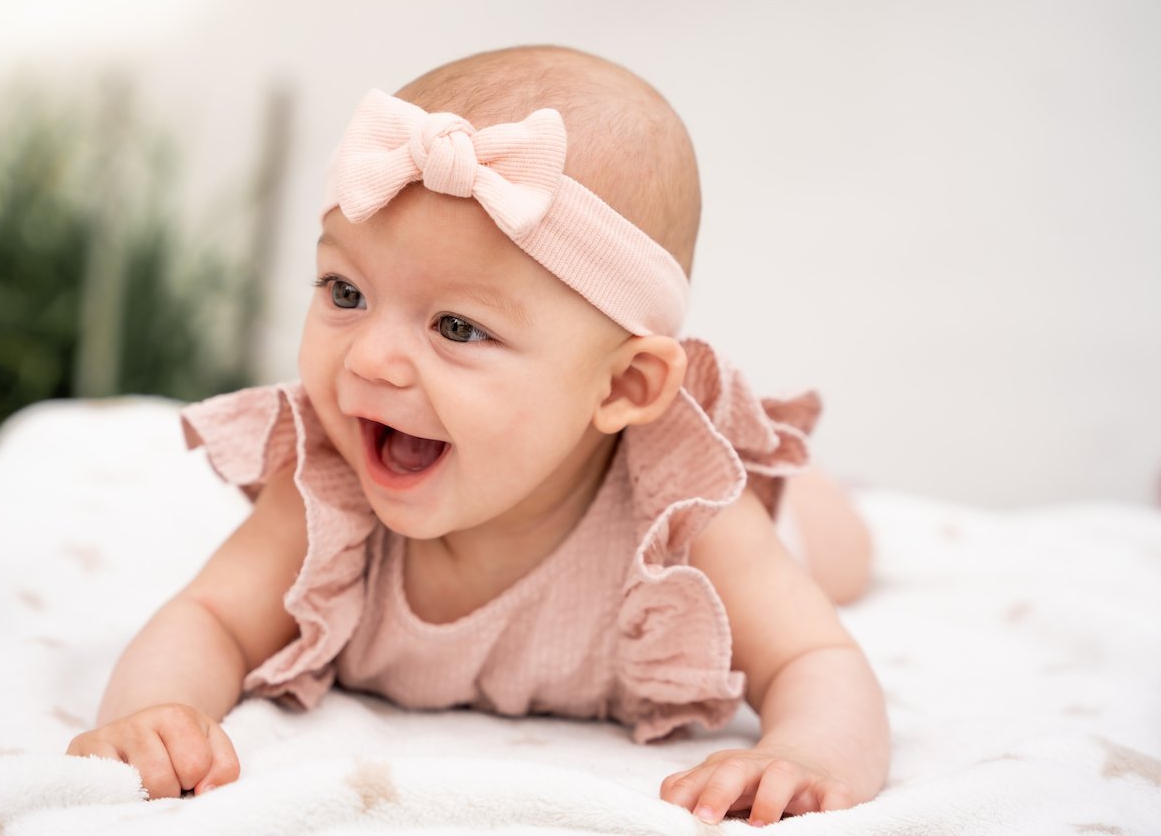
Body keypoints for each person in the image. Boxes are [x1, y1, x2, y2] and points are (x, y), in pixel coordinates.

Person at [67, 45, 888, 826]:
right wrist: (154, 713)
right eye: (345, 291)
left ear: (622, 386)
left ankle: (817, 488)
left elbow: (816, 660)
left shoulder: (685, 517)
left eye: (457, 325)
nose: (373, 358)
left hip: (759, 523)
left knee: (835, 543)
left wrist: (805, 751)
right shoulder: (329, 484)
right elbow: (209, 616)